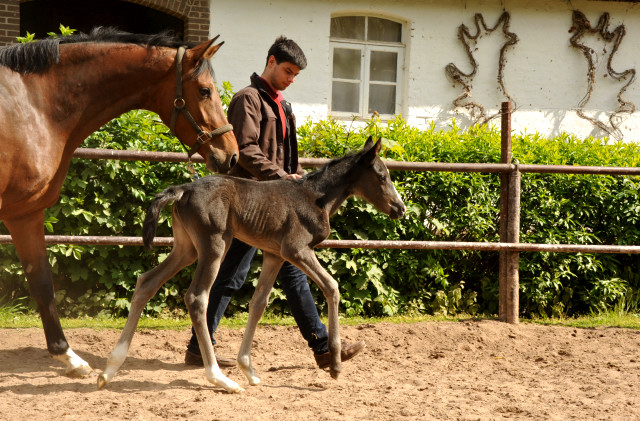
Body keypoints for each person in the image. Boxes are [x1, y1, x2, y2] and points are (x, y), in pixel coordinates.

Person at [185, 36, 365, 369]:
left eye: (295, 74)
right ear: (270, 61)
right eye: (287, 70)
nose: (291, 79)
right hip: (246, 203)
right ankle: (199, 347)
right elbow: (247, 150)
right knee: (232, 276)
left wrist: (296, 182)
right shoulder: (247, 99)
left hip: (278, 206)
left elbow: (291, 160)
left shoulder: (283, 106)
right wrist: (282, 177)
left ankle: (322, 346)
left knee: (290, 273)